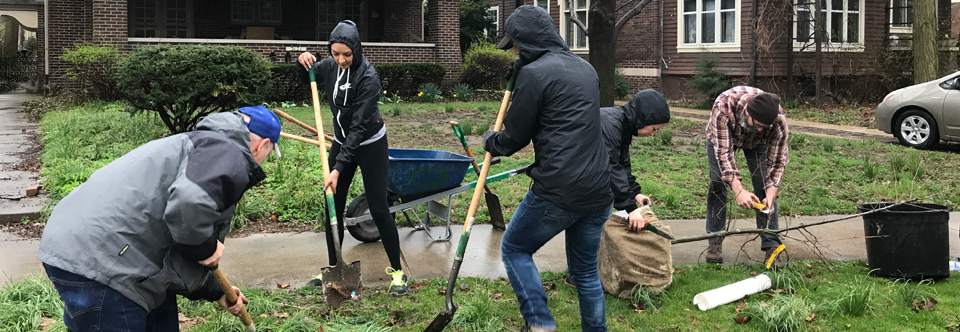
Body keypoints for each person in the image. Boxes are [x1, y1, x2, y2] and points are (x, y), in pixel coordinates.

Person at [36, 106, 282, 331]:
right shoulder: (227, 152)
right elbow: (189, 206)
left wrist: (216, 289)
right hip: (104, 264)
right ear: (262, 145)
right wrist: (205, 247)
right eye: (268, 155)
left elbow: (178, 239)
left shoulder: (200, 145)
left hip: (100, 252)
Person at [483, 5, 613, 332]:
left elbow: (514, 138)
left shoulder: (534, 74)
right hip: (599, 189)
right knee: (584, 272)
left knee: (514, 248)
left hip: (559, 190)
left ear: (527, 41)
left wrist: (491, 141)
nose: (513, 49)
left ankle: (540, 323)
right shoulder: (586, 69)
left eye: (515, 43)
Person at [295, 20, 410, 295]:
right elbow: (306, 77)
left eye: (347, 54)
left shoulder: (369, 78)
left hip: (370, 144)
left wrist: (337, 167)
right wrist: (302, 63)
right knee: (332, 207)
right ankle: (334, 268)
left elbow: (358, 128)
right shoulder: (330, 67)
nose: (342, 59)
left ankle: (398, 274)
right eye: (336, 54)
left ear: (356, 50)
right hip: (341, 141)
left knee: (379, 207)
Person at [565, 89, 671, 288]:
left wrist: (635, 193)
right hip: (571, 175)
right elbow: (610, 167)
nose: (653, 134)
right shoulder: (610, 125)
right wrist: (630, 209)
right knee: (582, 222)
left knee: (588, 221)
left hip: (585, 174)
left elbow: (621, 163)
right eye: (654, 129)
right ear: (643, 119)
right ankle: (578, 276)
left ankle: (583, 273)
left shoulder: (623, 126)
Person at [704, 86, 789, 265]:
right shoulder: (723, 108)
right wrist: (739, 190)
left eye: (764, 127)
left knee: (763, 187)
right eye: (757, 124)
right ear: (747, 112)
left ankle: (771, 245)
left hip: (757, 145)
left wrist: (771, 195)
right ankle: (715, 241)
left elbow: (777, 163)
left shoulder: (778, 121)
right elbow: (724, 155)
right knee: (718, 182)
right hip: (722, 139)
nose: (760, 129)